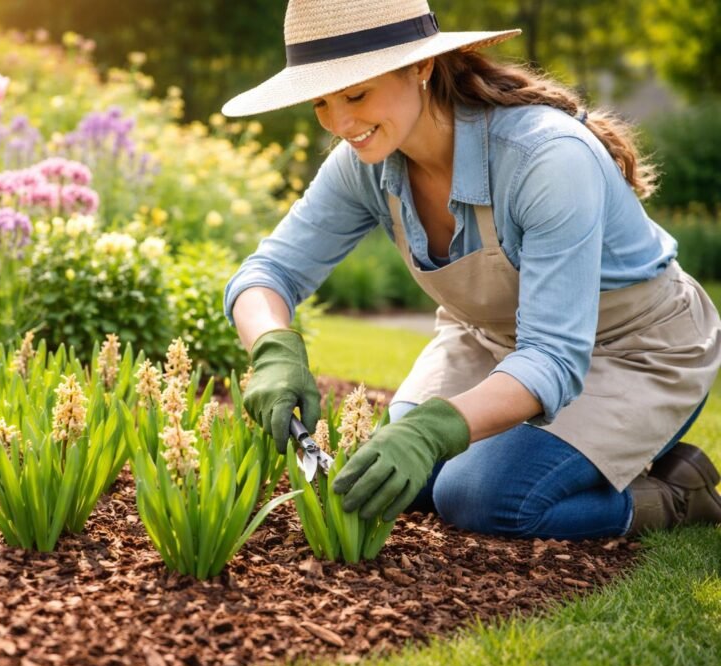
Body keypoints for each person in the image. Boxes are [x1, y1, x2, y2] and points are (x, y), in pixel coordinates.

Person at [221, 0, 721, 539]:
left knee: (478, 496)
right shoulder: (364, 164)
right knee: (397, 485)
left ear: (421, 66)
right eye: (321, 103)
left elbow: (552, 355)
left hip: (635, 351)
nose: (341, 123)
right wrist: (274, 349)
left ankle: (675, 498)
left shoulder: (546, 158)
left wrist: (432, 431)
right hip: (490, 341)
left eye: (357, 94)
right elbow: (267, 272)